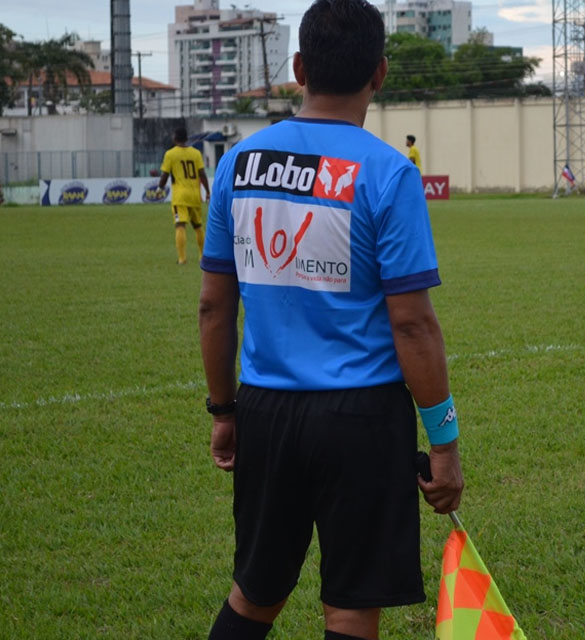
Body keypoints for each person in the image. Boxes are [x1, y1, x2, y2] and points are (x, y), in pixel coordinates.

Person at [198, 1, 464, 639]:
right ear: (381, 73)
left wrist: (225, 411)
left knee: (253, 595)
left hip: (265, 412)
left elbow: (213, 306)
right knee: (349, 608)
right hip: (362, 418)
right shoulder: (388, 172)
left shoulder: (238, 164)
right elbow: (413, 325)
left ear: (298, 68)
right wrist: (445, 444)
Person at [157, 127, 211, 264]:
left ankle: (182, 259)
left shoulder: (170, 154)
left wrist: (159, 188)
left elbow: (165, 175)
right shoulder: (196, 153)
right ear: (186, 138)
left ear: (175, 138)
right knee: (198, 226)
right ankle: (202, 257)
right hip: (194, 195)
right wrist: (207, 191)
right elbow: (202, 174)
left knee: (180, 225)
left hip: (180, 197)